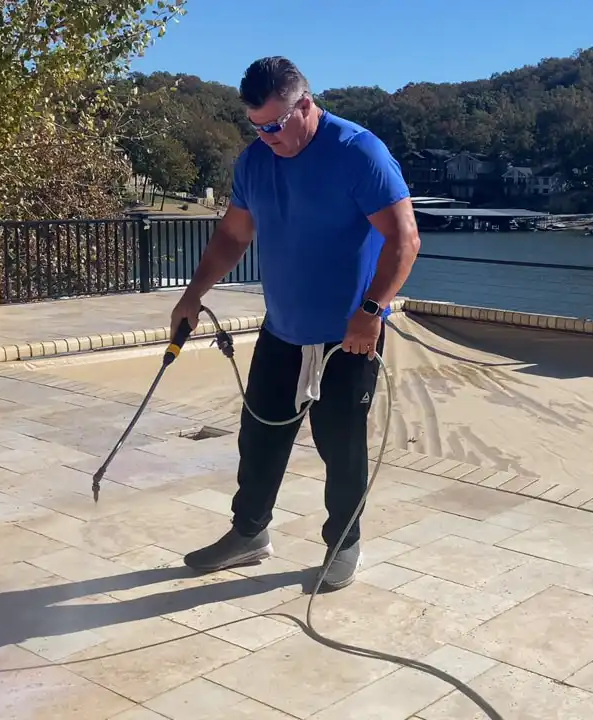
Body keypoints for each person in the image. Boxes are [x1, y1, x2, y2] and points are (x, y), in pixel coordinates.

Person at [170, 56, 420, 589]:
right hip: (281, 329)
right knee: (259, 438)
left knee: (340, 446)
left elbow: (404, 238)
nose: (267, 138)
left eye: (275, 125)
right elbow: (233, 236)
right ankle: (249, 533)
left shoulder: (358, 153)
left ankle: (343, 542)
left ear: (305, 104)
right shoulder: (254, 162)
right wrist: (193, 295)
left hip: (349, 338)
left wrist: (371, 311)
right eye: (256, 127)